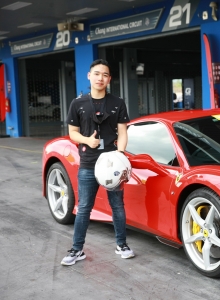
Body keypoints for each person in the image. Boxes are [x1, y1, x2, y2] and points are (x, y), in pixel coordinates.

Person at [61, 59, 134, 266]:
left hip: (112, 165)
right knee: (84, 207)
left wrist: (119, 155)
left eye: (104, 75)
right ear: (89, 76)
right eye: (97, 73)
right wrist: (88, 140)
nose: (100, 78)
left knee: (117, 205)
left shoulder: (118, 103)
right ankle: (77, 249)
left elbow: (123, 132)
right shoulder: (78, 103)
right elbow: (72, 133)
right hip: (88, 163)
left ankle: (122, 245)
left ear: (109, 79)